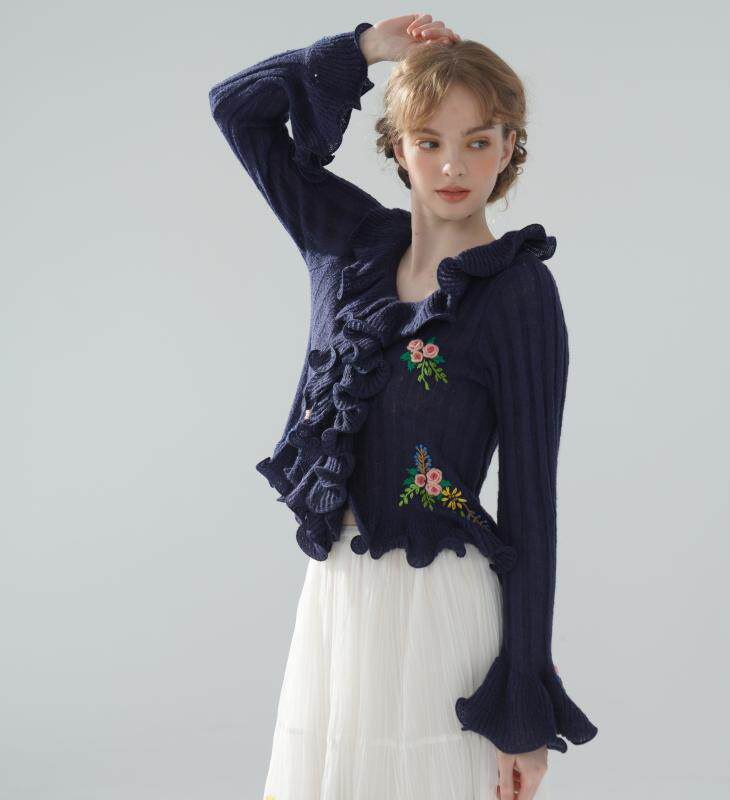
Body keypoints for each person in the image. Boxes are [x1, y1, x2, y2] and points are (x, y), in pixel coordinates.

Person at [209, 12, 598, 800]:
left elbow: (532, 507)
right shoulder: (347, 242)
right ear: (395, 146)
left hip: (442, 613)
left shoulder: (517, 292)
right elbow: (236, 110)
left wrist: (522, 709)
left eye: (478, 141)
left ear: (510, 148)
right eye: (429, 140)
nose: (454, 165)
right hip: (335, 604)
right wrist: (364, 51)